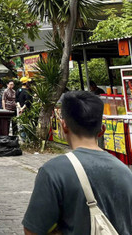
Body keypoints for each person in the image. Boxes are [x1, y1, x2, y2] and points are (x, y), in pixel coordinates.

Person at [22, 90, 132, 234]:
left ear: (64, 125)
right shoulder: (125, 172)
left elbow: (32, 231)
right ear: (102, 130)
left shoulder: (53, 171)